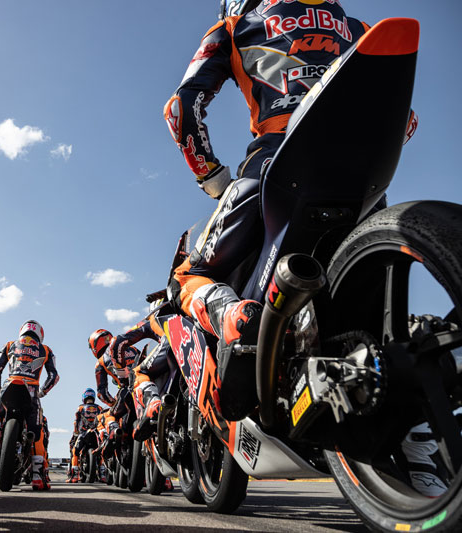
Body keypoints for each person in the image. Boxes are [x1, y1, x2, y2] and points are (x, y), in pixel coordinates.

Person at [162, 0, 369, 421]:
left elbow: (181, 108)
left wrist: (211, 176)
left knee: (185, 278)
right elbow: (407, 118)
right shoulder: (358, 26)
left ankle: (233, 315)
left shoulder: (234, 25)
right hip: (361, 173)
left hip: (274, 163)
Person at [0, 320, 59, 490]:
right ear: (40, 334)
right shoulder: (46, 350)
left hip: (8, 386)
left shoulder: (9, 345)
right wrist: (42, 392)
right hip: (32, 391)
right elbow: (54, 376)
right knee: (37, 433)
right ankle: (37, 476)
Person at [70, 388, 105, 482]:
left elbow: (76, 421)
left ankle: (74, 476)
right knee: (102, 451)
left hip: (84, 433)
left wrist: (76, 432)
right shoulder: (100, 408)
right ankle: (102, 474)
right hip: (97, 433)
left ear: (84, 397)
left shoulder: (80, 408)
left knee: (75, 452)